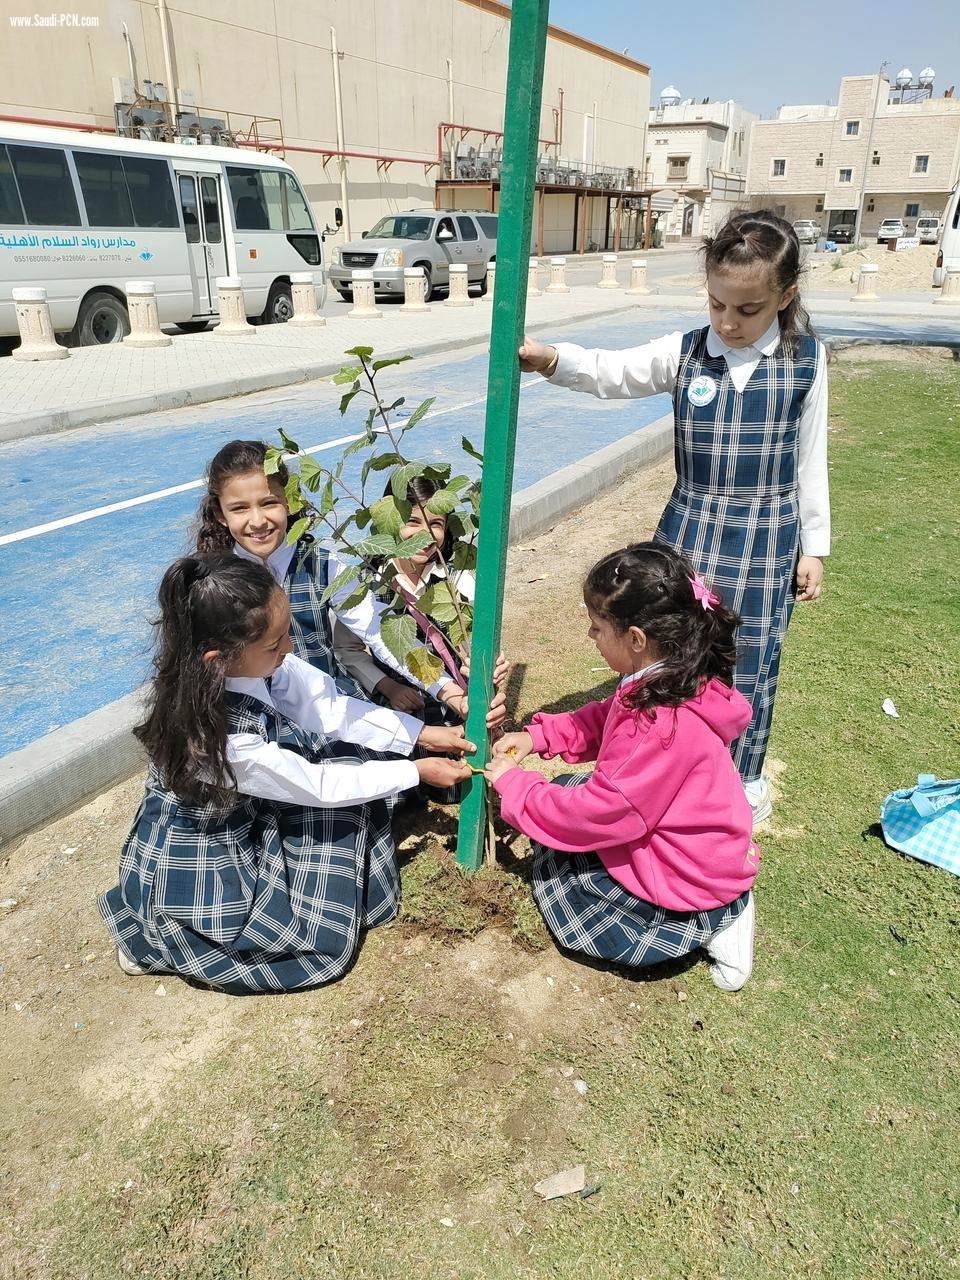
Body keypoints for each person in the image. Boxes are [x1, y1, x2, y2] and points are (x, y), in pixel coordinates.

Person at [519, 210, 829, 826]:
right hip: (688, 529)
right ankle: (656, 764)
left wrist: (813, 545)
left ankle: (740, 779)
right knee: (669, 652)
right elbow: (615, 372)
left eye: (748, 309)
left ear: (784, 295)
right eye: (718, 305)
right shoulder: (686, 352)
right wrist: (552, 359)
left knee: (751, 656)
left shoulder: (808, 361)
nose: (729, 322)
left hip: (769, 533)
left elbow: (811, 456)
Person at [98, 555, 472, 993]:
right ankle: (156, 940)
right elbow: (318, 786)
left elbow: (331, 710)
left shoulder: (253, 661)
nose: (290, 649)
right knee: (311, 891)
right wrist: (414, 771)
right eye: (276, 645)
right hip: (213, 843)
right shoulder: (220, 739)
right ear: (218, 660)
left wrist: (422, 735)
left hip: (249, 802)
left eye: (287, 634)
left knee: (349, 804)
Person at [485, 543, 759, 992]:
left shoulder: (661, 720)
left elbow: (603, 812)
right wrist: (539, 736)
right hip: (698, 842)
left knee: (570, 894)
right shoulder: (670, 677)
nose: (591, 637)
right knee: (567, 795)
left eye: (596, 628)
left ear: (635, 638)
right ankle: (723, 904)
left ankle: (721, 918)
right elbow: (604, 718)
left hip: (689, 873)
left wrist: (518, 789)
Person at [196, 441, 499, 727]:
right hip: (252, 720)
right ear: (220, 514)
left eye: (269, 503)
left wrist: (447, 690)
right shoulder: (211, 580)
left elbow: (378, 631)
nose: (258, 520)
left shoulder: (323, 565)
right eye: (239, 508)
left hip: (327, 714)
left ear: (289, 502)